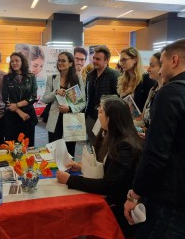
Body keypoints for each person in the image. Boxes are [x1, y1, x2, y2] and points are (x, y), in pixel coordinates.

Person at [124, 39, 185, 238]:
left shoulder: (170, 93)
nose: (161, 71)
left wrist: (135, 194)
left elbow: (155, 155)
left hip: (173, 201)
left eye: (162, 64)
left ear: (174, 60)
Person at [56, 95, 142, 238]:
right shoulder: (108, 135)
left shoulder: (125, 145)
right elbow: (104, 164)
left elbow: (107, 185)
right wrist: (82, 166)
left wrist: (70, 180)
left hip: (118, 209)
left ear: (112, 117)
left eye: (101, 111)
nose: (98, 114)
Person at [41, 52, 85, 157]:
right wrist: (55, 92)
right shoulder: (52, 78)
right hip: (54, 120)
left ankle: (69, 173)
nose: (60, 63)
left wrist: (69, 108)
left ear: (70, 63)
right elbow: (44, 99)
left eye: (63, 60)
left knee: (69, 152)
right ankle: (55, 173)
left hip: (71, 120)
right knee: (54, 151)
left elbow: (83, 102)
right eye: (59, 60)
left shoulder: (77, 79)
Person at [85, 46, 119, 146]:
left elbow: (117, 98)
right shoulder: (90, 75)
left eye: (98, 59)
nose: (94, 61)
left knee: (105, 146)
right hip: (91, 117)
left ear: (107, 60)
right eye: (94, 58)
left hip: (106, 118)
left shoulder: (114, 75)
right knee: (93, 145)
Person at [2, 52, 38, 147]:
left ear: (22, 62)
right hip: (12, 116)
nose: (14, 63)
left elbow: (33, 97)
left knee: (27, 146)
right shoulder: (7, 78)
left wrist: (17, 105)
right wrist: (19, 111)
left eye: (17, 60)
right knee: (11, 146)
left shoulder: (31, 77)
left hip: (28, 116)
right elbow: (5, 99)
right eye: (12, 61)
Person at [117, 47, 155, 112]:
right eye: (121, 60)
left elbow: (149, 103)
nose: (121, 63)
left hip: (139, 120)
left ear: (135, 60)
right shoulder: (122, 79)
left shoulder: (146, 79)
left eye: (124, 60)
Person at [135, 52, 163, 131]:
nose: (148, 69)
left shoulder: (167, 93)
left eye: (152, 66)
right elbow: (144, 119)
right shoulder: (153, 89)